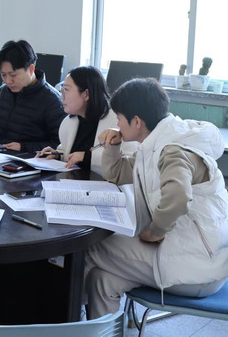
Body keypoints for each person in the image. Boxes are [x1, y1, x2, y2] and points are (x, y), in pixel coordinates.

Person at [85, 78, 228, 319]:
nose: (116, 124)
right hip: (194, 256)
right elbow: (118, 173)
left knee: (90, 248)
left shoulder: (172, 150)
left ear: (137, 121)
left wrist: (155, 231)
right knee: (103, 280)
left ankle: (56, 319)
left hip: (198, 267)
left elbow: (178, 196)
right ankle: (94, 330)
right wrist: (113, 147)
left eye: (119, 118)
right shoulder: (156, 144)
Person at [37, 66, 119, 174]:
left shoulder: (117, 121)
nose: (62, 96)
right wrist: (58, 155)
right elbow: (69, 152)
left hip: (104, 183)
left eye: (66, 90)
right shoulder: (70, 121)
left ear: (86, 94)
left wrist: (86, 156)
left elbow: (124, 161)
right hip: (75, 181)